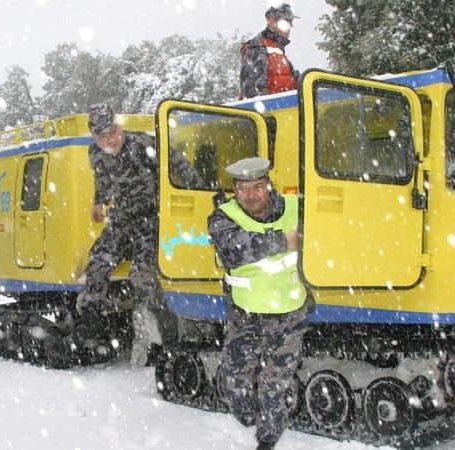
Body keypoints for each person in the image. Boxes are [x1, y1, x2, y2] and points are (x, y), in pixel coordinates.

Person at [75, 103, 201, 366]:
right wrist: (99, 201)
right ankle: (91, 335)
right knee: (97, 264)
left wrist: (196, 193)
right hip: (122, 219)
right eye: (102, 136)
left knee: (142, 277)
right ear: (94, 137)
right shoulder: (95, 152)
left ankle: (167, 339)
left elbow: (178, 161)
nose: (109, 140)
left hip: (150, 219)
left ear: (119, 128)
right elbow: (102, 178)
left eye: (112, 133)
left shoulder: (143, 145)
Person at [207, 157, 308, 450]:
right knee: (233, 383)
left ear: (268, 185)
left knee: (276, 384)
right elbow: (238, 249)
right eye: (243, 189)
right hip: (246, 317)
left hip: (289, 314)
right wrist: (283, 242)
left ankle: (268, 439)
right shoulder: (222, 217)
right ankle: (249, 415)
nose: (250, 196)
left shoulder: (295, 207)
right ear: (234, 191)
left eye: (257, 187)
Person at [240, 3, 301, 99]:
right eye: (286, 21)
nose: (291, 26)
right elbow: (254, 93)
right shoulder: (258, 48)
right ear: (272, 22)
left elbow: (296, 81)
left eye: (291, 22)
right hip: (275, 111)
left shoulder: (278, 51)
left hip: (288, 110)